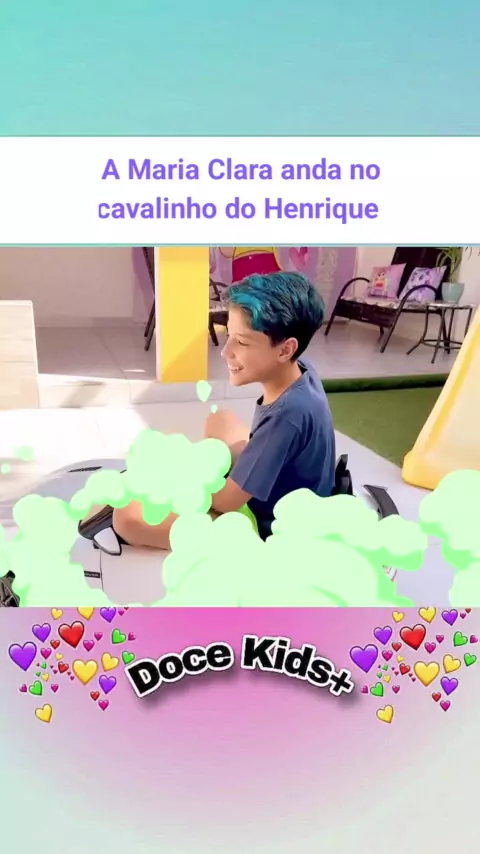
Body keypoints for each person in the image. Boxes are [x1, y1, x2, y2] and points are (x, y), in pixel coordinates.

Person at [112, 271, 336, 548]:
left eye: (242, 342)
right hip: (292, 489)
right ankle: (233, 474)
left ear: (285, 350)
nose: (225, 351)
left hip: (267, 525)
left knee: (127, 519)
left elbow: (227, 502)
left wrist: (178, 476)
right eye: (229, 336)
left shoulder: (287, 415)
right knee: (220, 420)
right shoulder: (301, 369)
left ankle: (238, 535)